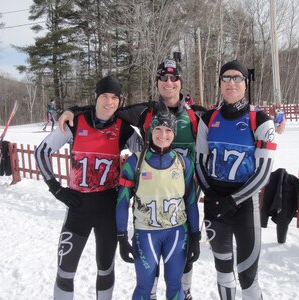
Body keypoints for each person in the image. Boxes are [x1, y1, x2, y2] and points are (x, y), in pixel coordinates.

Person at [58, 58, 206, 300]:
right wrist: (73, 111)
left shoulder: (197, 114)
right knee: (149, 278)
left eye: (173, 78)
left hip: (181, 201)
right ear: (157, 82)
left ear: (180, 82)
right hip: (148, 206)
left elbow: (227, 120)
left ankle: (186, 292)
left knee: (180, 271)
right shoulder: (144, 111)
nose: (168, 82)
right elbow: (106, 108)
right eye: (163, 78)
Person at [35, 76, 141, 300]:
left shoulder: (124, 129)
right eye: (104, 96)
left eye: (115, 98)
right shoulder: (76, 122)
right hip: (78, 207)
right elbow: (41, 152)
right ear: (96, 97)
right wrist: (56, 189)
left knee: (106, 269)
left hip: (107, 209)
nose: (109, 102)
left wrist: (130, 188)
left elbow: (145, 157)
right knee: (65, 272)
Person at [195, 60, 277, 300]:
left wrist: (232, 200)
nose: (231, 83)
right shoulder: (208, 118)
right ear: (220, 83)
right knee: (223, 271)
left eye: (237, 78)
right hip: (214, 207)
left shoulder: (261, 120)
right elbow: (200, 162)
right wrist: (211, 195)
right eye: (226, 78)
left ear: (246, 83)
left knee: (248, 277)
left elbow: (263, 173)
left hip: (244, 209)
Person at [116, 111, 200, 300]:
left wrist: (195, 236)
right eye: (159, 129)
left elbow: (191, 203)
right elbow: (122, 201)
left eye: (168, 130)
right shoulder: (135, 162)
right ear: (151, 130)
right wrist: (121, 236)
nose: (163, 135)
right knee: (144, 288)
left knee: (174, 286)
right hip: (145, 234)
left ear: (174, 133)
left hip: (176, 234)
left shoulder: (184, 163)